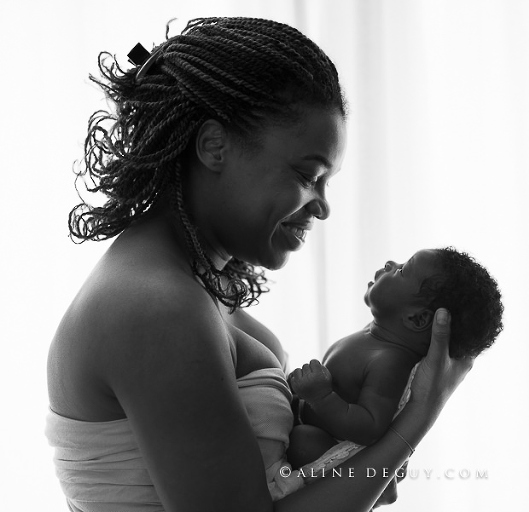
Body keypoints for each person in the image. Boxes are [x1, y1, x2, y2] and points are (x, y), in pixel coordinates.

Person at [45, 17, 473, 512]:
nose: (322, 206)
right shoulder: (157, 309)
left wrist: (356, 471)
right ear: (213, 146)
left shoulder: (195, 285)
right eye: (308, 175)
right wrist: (416, 419)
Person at [286, 247, 504, 474]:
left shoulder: (390, 362)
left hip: (329, 447)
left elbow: (369, 427)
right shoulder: (376, 335)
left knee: (302, 441)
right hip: (307, 414)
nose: (390, 263)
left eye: (401, 271)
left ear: (417, 318)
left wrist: (321, 397)